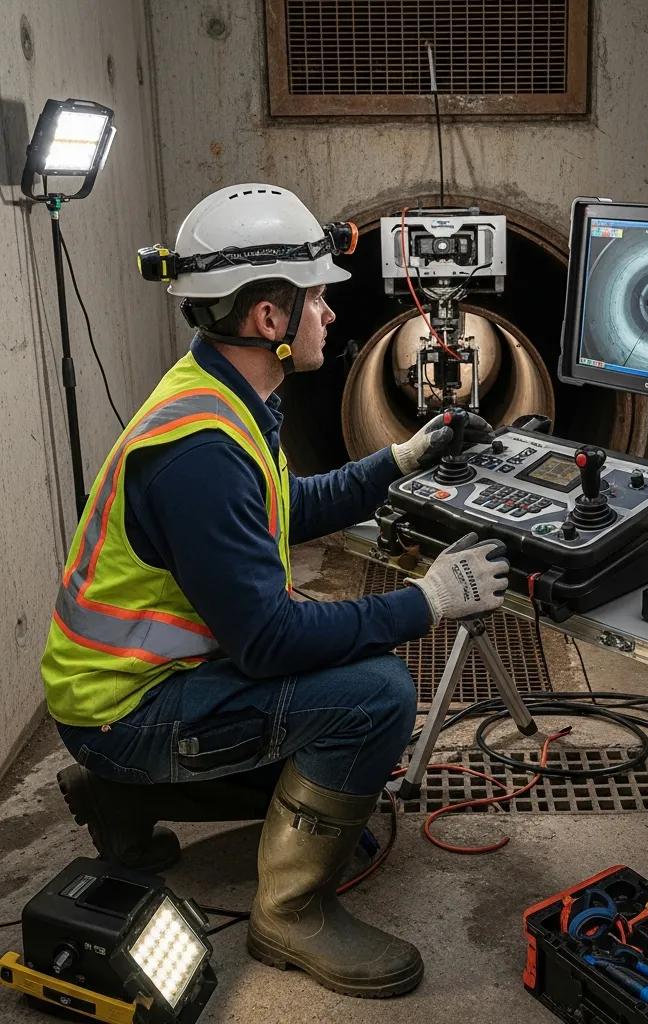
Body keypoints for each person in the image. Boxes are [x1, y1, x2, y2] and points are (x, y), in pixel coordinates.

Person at [40, 183, 510, 999]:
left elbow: (283, 510)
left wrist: (400, 459)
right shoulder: (200, 453)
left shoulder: (220, 393)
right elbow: (269, 643)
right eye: (319, 297)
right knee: (373, 696)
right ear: (268, 318)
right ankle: (289, 914)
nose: (329, 312)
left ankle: (116, 798)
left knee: (346, 800)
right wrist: (429, 600)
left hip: (119, 688)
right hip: (129, 709)